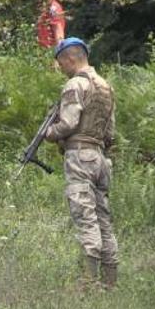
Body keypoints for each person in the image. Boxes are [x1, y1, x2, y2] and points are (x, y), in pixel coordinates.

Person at [45, 37, 118, 289]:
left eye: (61, 63)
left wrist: (49, 133)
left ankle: (88, 281)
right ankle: (110, 282)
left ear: (70, 58)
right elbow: (110, 133)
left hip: (79, 157)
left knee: (85, 216)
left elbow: (68, 124)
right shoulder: (105, 87)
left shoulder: (75, 84)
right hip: (100, 158)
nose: (61, 68)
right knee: (103, 219)